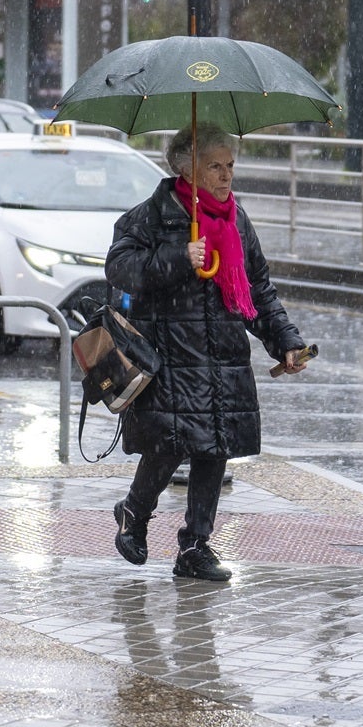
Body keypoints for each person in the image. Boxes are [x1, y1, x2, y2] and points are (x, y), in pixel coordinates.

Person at [105, 122, 311, 582]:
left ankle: (196, 547)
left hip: (223, 356)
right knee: (170, 443)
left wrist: (287, 342)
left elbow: (257, 290)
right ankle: (134, 513)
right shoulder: (151, 216)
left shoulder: (236, 219)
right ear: (185, 167)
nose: (225, 175)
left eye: (230, 165)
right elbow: (120, 269)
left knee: (213, 448)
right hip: (169, 356)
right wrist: (180, 257)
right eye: (214, 166)